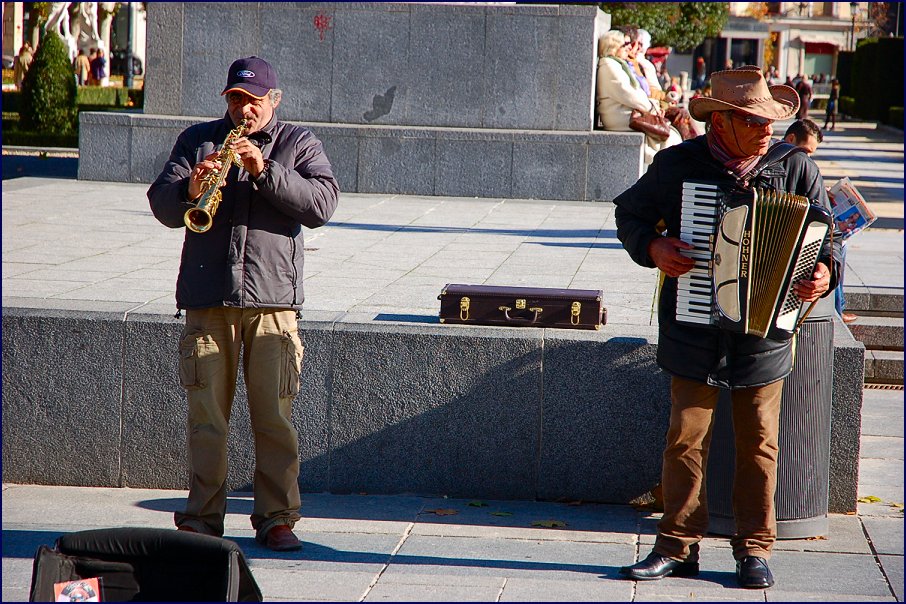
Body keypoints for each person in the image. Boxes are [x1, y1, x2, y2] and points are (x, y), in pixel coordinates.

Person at [613, 66, 841, 589]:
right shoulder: (678, 166)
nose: (767, 129)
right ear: (720, 123)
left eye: (770, 119)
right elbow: (630, 214)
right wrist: (653, 246)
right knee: (685, 439)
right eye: (752, 120)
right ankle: (676, 546)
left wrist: (823, 274)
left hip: (766, 330)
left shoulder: (797, 168)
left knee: (760, 443)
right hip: (695, 327)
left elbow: (827, 240)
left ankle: (754, 550)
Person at [147, 56, 340, 551]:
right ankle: (202, 518)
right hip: (208, 300)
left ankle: (276, 517)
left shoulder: (299, 143)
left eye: (252, 101)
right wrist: (191, 187)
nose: (243, 109)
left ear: (273, 101)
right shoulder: (199, 140)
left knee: (273, 416)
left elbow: (321, 205)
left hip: (273, 303)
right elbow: (162, 201)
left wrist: (266, 170)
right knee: (207, 416)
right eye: (235, 99)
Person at [596, 30, 681, 166]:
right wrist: (652, 108)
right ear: (614, 46)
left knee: (671, 135)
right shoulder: (609, 65)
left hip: (627, 113)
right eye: (625, 44)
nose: (629, 47)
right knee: (670, 138)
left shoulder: (616, 64)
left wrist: (652, 106)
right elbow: (628, 93)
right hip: (622, 117)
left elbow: (635, 93)